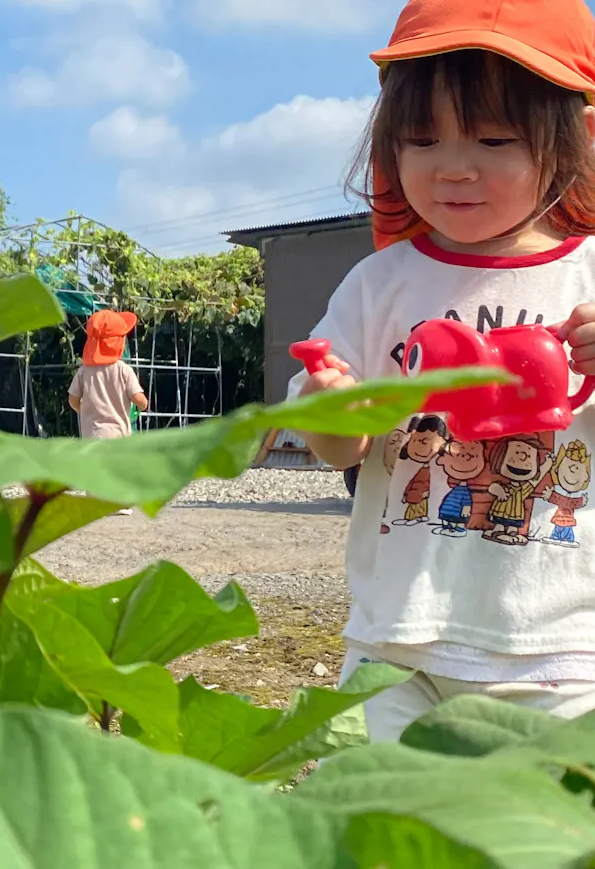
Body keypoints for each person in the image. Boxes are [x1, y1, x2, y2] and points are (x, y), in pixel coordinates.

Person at [290, 0, 595, 742]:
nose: (453, 167)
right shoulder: (378, 283)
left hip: (558, 651)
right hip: (396, 645)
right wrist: (334, 413)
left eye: (494, 139)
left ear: (574, 140)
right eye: (420, 140)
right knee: (373, 836)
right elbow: (337, 450)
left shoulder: (588, 277)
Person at [69, 309, 148, 515]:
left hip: (92, 432)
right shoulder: (123, 369)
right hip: (118, 432)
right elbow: (138, 398)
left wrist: (83, 411)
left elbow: (72, 399)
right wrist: (143, 405)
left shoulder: (84, 371)